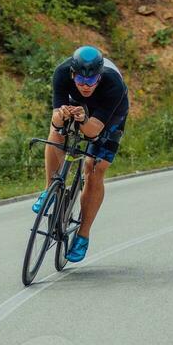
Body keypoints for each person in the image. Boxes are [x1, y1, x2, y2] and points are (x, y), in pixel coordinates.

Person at [32, 45, 129, 263]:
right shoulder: (61, 73)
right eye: (81, 81)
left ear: (100, 76)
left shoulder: (113, 85)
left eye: (92, 81)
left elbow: (93, 131)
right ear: (73, 74)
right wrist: (62, 115)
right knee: (55, 133)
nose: (86, 86)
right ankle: (49, 190)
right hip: (77, 106)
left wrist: (83, 120)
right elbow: (55, 119)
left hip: (109, 112)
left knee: (94, 167)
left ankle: (83, 234)